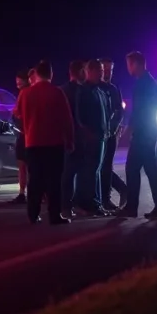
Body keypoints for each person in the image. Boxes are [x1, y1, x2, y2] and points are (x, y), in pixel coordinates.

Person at [12, 59, 74, 225]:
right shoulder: (57, 92)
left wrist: (27, 129)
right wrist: (70, 140)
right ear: (51, 74)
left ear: (36, 74)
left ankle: (33, 214)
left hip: (33, 143)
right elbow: (67, 119)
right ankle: (54, 215)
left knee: (35, 180)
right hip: (54, 143)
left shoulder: (25, 94)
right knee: (54, 181)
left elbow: (17, 115)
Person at [122, 51, 157, 219]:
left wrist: (129, 130)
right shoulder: (150, 82)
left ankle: (133, 207)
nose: (128, 68)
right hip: (149, 130)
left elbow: (139, 111)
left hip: (143, 132)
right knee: (150, 169)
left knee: (133, 168)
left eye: (129, 64)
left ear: (136, 64)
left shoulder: (143, 84)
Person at [75, 59, 111, 216]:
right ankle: (90, 203)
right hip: (91, 138)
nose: (102, 73)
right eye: (99, 70)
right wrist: (88, 133)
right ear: (89, 71)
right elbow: (80, 116)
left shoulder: (100, 91)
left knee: (95, 170)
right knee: (90, 171)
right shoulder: (84, 91)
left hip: (101, 136)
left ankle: (94, 202)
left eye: (102, 70)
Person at [98, 59, 128, 210]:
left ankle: (107, 198)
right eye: (105, 70)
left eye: (110, 70)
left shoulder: (113, 89)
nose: (107, 73)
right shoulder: (96, 87)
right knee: (101, 167)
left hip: (110, 133)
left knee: (106, 166)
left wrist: (114, 128)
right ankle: (118, 191)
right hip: (99, 132)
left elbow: (119, 111)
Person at [59, 60, 87, 216]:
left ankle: (66, 205)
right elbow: (79, 116)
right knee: (75, 172)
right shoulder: (80, 91)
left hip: (64, 137)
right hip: (77, 137)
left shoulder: (61, 90)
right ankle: (70, 205)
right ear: (80, 71)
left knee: (67, 173)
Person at [9, 69, 30, 205]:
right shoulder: (24, 93)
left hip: (26, 134)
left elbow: (17, 113)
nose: (18, 86)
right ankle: (25, 193)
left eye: (20, 83)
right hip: (25, 134)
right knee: (25, 165)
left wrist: (17, 116)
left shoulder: (25, 93)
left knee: (24, 165)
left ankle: (24, 193)